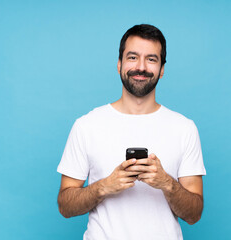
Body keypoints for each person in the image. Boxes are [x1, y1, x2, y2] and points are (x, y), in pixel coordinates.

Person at [57, 24, 206, 240]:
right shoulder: (86, 125)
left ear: (162, 69)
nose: (141, 67)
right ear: (119, 64)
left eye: (152, 59)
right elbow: (65, 206)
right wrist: (103, 187)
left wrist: (166, 183)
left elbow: (194, 214)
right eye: (133, 57)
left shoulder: (184, 128)